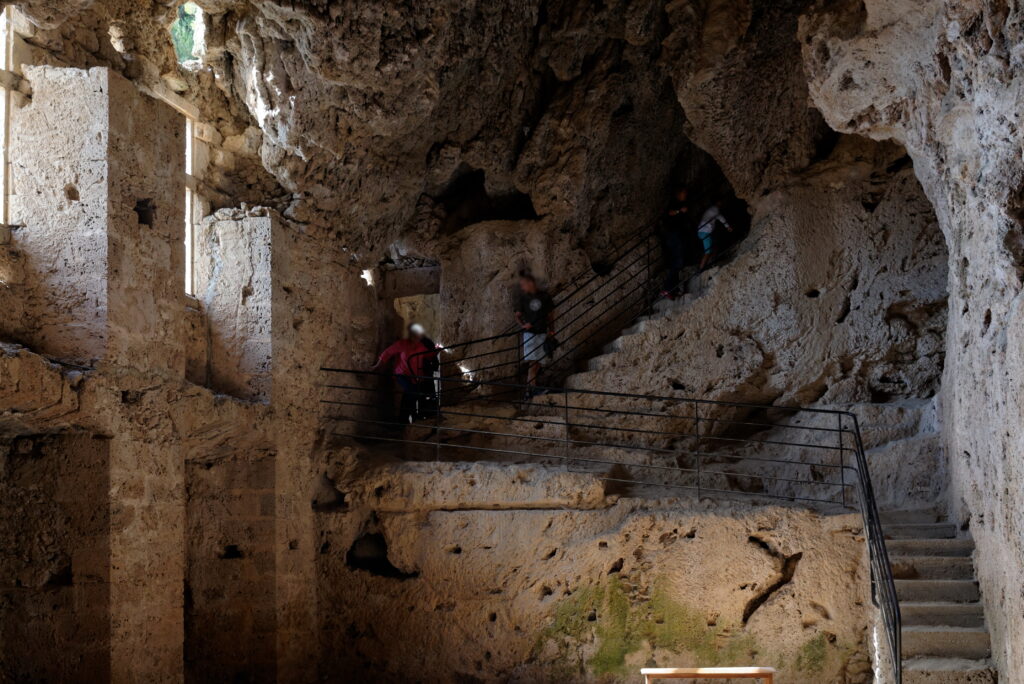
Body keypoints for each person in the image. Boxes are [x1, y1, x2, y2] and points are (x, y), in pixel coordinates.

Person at [371, 323, 438, 425]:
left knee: (411, 393)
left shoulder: (421, 346)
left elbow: (428, 355)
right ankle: (412, 415)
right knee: (411, 391)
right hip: (401, 374)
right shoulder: (402, 344)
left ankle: (404, 419)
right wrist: (377, 366)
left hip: (414, 376)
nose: (418, 338)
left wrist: (437, 350)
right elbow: (387, 353)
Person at [514, 272, 555, 395]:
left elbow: (550, 315)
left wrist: (552, 330)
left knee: (538, 363)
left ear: (530, 283)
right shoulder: (523, 298)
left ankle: (530, 390)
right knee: (533, 362)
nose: (522, 287)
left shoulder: (544, 296)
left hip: (542, 332)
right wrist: (523, 325)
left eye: (523, 284)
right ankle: (532, 389)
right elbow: (517, 315)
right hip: (530, 333)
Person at [660, 187, 690, 299]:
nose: (685, 195)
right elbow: (670, 213)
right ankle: (667, 289)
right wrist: (680, 211)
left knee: (677, 262)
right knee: (677, 261)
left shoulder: (682, 203)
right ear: (679, 193)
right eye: (684, 193)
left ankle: (674, 290)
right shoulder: (674, 203)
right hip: (673, 235)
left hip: (676, 235)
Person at [697, 201, 733, 270]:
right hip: (704, 232)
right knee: (707, 251)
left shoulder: (712, 209)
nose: (721, 204)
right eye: (720, 203)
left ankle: (711, 262)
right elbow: (721, 217)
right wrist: (728, 226)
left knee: (714, 246)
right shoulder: (714, 209)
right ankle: (701, 269)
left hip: (703, 231)